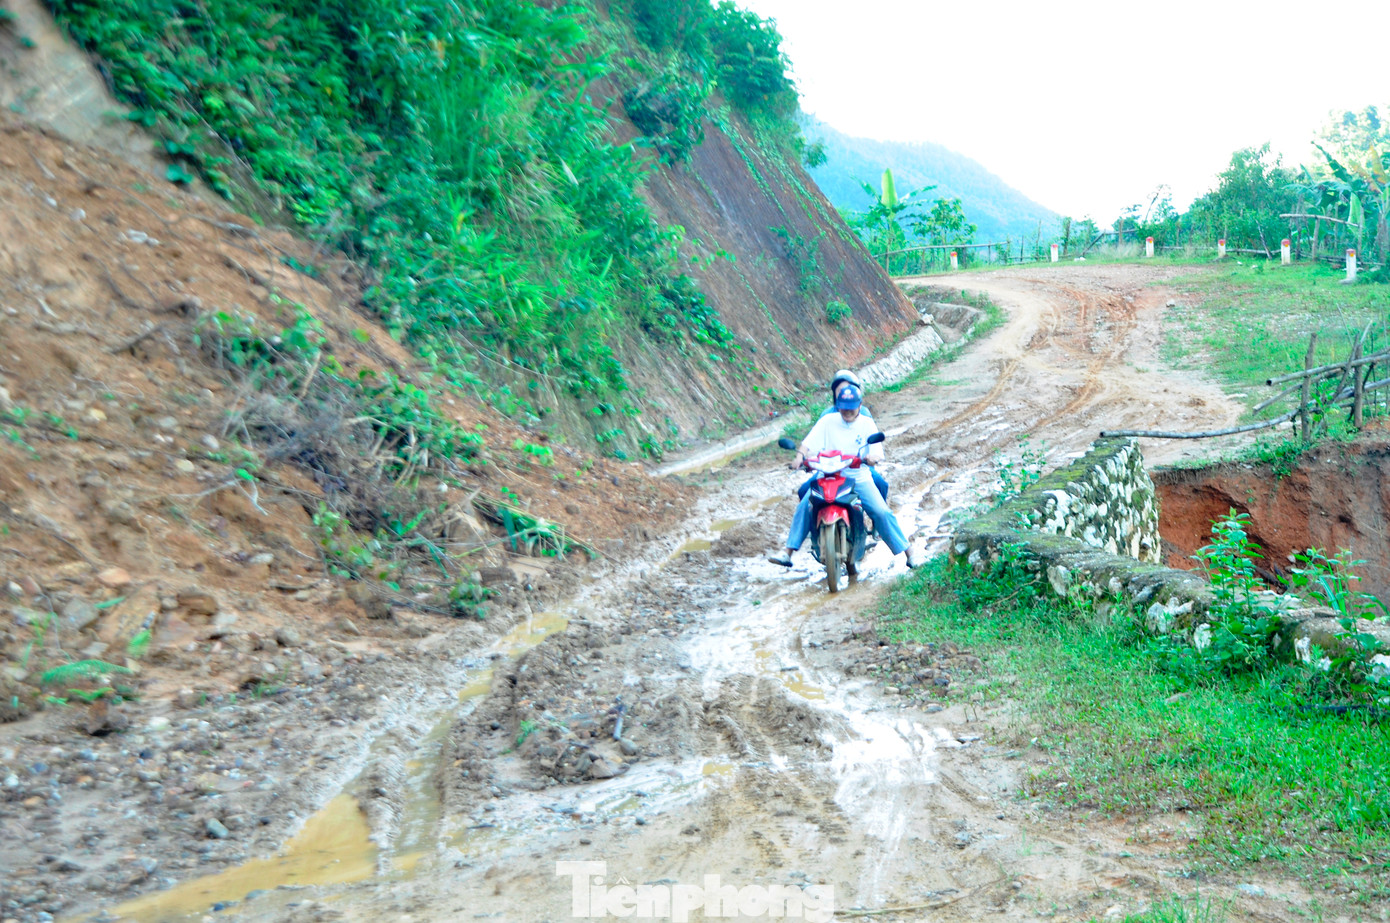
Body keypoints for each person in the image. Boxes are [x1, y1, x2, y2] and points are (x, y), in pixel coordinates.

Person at [768, 375, 918, 569]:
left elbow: (877, 451)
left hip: (857, 476)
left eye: (852, 407)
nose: (847, 412)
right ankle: (788, 552)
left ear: (860, 404)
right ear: (837, 405)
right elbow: (808, 442)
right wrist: (799, 457)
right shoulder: (828, 420)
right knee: (804, 505)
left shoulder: (866, 423)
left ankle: (909, 552)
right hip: (827, 475)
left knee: (881, 511)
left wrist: (872, 458)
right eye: (843, 407)